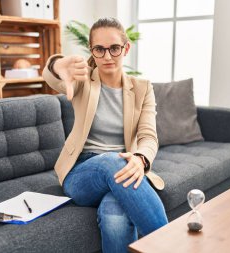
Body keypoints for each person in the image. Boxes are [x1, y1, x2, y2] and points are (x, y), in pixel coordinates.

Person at [42, 17, 168, 253]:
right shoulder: (83, 80)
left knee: (115, 214)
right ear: (92, 51)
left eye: (114, 48)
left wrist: (140, 159)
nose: (107, 56)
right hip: (81, 173)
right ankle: (171, 246)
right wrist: (57, 65)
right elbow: (52, 75)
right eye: (99, 49)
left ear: (126, 48)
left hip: (124, 168)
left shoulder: (142, 88)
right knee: (113, 160)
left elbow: (148, 136)